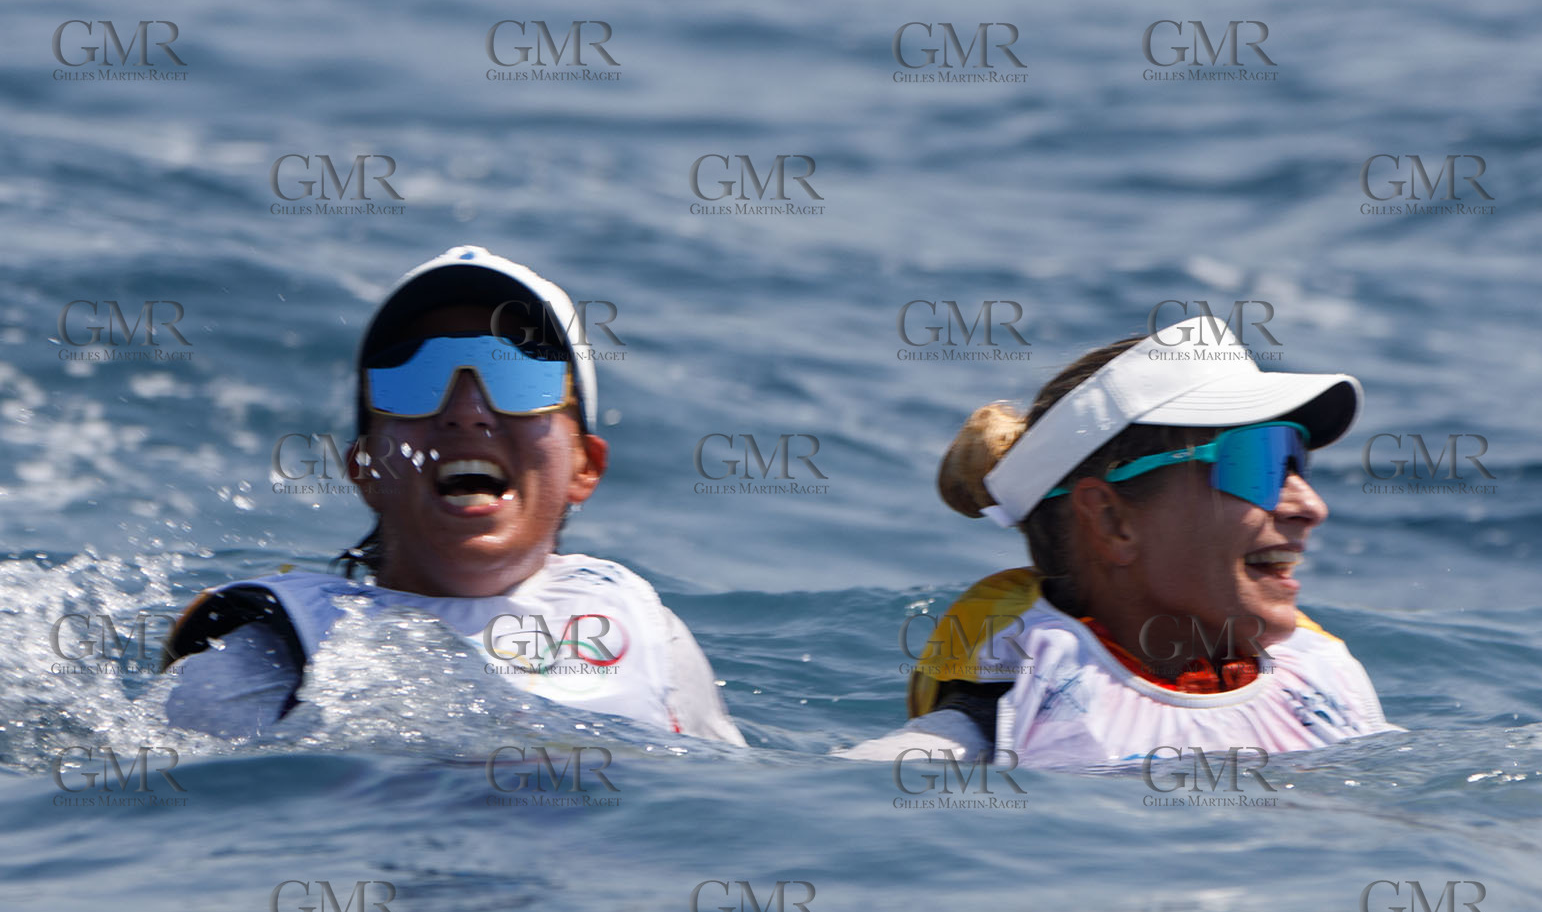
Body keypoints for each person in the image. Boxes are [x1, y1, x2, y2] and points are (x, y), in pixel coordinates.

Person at [162, 245, 745, 745]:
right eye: (415, 380)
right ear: (363, 466)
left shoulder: (651, 640)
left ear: (584, 466)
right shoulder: (267, 660)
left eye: (519, 376)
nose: (467, 413)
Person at [844, 317, 1397, 768]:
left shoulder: (1321, 686)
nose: (1310, 506)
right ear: (1111, 521)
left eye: (1294, 460)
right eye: (1257, 463)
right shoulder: (992, 728)